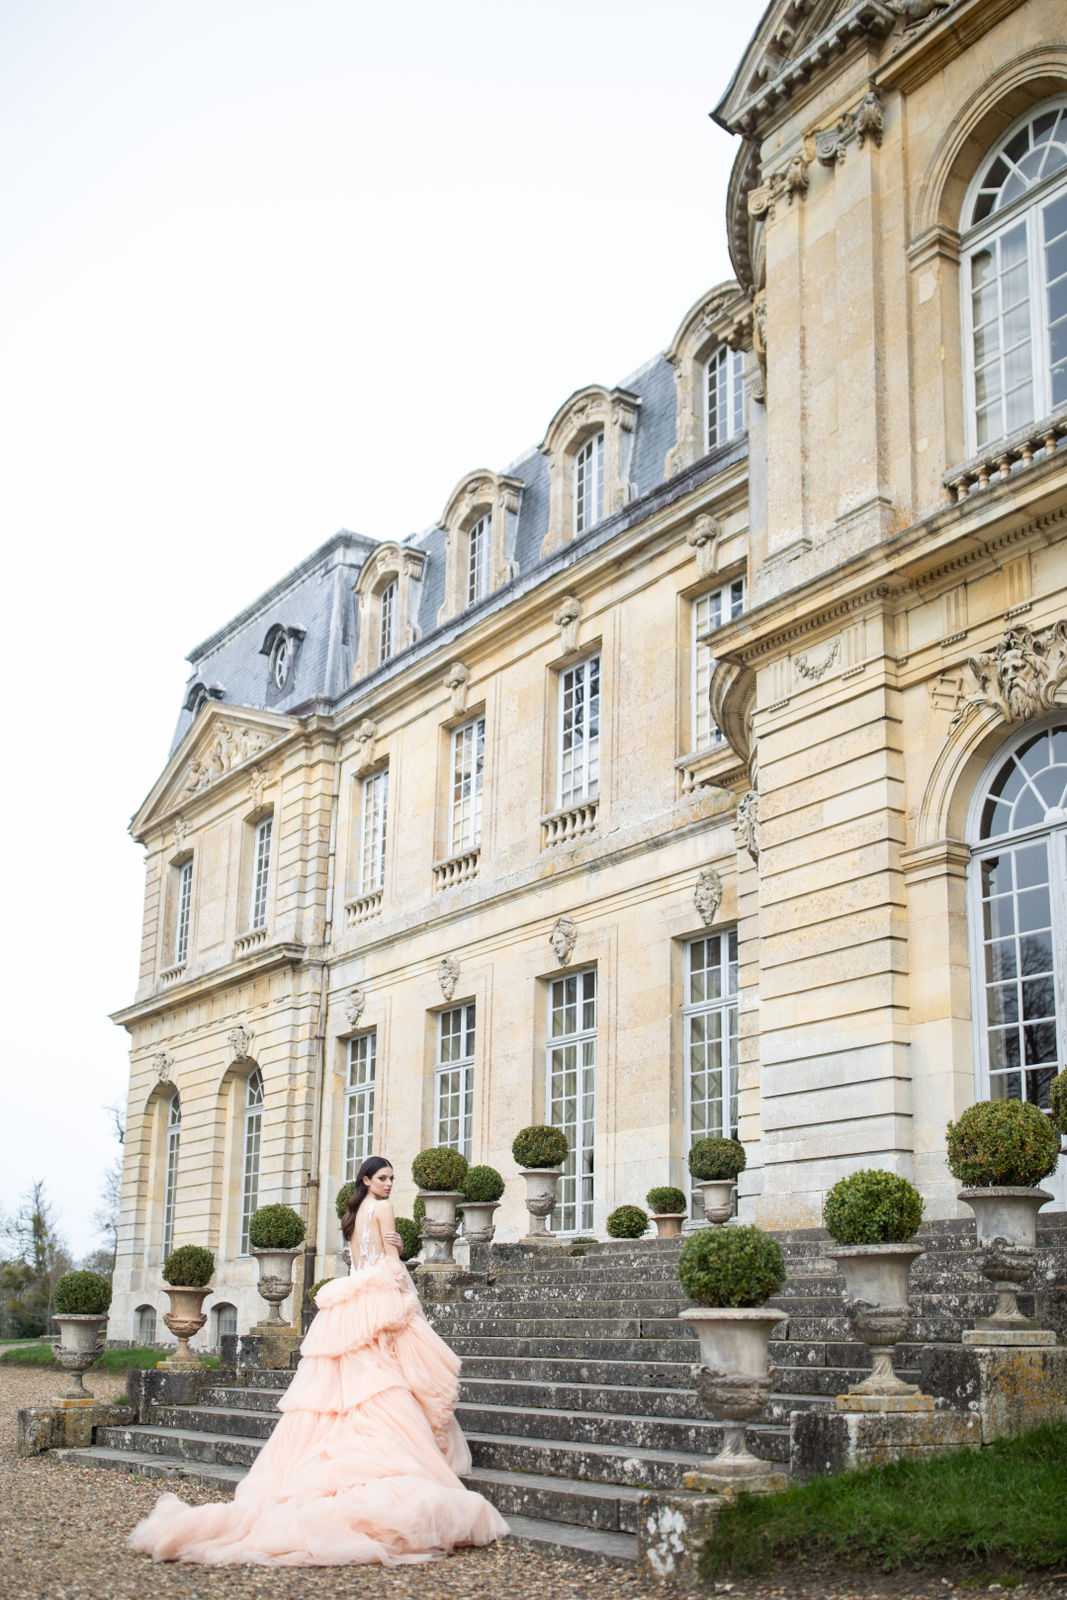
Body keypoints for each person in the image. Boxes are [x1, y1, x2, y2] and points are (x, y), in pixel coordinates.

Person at [128, 1156, 508, 1566]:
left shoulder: (355, 1214)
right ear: (366, 1179)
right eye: (383, 1178)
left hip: (352, 1299)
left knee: (348, 1385)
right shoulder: (381, 1209)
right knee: (385, 1377)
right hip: (378, 1296)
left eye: (392, 1179)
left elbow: (359, 1260)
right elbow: (390, 1266)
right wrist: (407, 1295)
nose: (389, 1184)